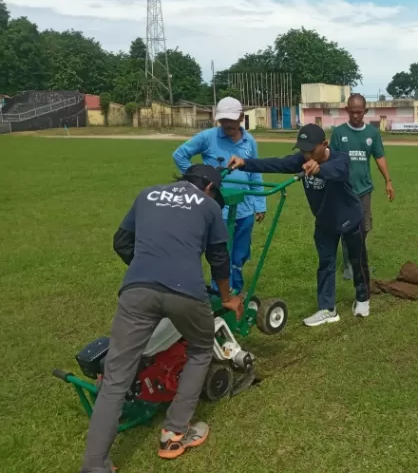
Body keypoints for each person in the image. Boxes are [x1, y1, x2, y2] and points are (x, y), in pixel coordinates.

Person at [80, 164, 243, 473]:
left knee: (116, 379)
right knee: (200, 347)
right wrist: (227, 298)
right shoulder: (208, 206)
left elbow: (121, 242)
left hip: (137, 289)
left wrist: (148, 266)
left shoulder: (146, 194)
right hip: (186, 291)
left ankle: (94, 465)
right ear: (209, 188)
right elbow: (219, 259)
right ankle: (173, 434)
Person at [227, 123, 371, 327]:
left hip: (350, 218)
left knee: (357, 261)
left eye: (311, 150)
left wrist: (319, 168)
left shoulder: (340, 158)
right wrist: (244, 163)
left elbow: (337, 170)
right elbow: (275, 164)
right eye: (303, 151)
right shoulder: (302, 160)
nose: (306, 155)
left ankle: (363, 298)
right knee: (325, 264)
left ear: (325, 144)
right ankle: (327, 309)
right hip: (324, 221)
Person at [173, 97, 266, 294]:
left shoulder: (250, 141)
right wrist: (198, 180)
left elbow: (255, 173)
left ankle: (236, 291)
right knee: (221, 254)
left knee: (240, 254)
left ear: (241, 117)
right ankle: (219, 293)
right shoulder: (208, 137)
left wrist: (260, 204)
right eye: (223, 120)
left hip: (245, 208)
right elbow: (179, 155)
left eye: (231, 120)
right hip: (218, 210)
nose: (227, 125)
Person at [330, 93, 394, 281]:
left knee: (364, 227)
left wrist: (388, 181)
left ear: (365, 111)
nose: (356, 116)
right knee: (346, 227)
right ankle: (350, 266)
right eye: (352, 112)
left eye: (359, 112)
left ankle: (357, 258)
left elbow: (379, 157)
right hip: (343, 190)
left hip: (364, 190)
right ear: (347, 111)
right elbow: (331, 159)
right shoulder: (339, 133)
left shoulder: (372, 134)